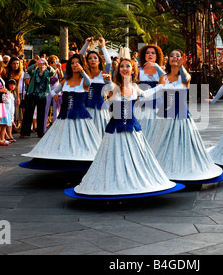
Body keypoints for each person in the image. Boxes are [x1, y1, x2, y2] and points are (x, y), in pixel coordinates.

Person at [72, 58, 176, 196]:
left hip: (132, 128)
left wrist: (160, 86)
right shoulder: (114, 86)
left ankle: (134, 179)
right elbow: (109, 87)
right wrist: (108, 80)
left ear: (133, 70)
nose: (125, 68)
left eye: (128, 66)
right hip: (115, 130)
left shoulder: (134, 87)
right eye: (122, 66)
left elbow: (145, 94)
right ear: (119, 70)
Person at [145, 49, 223, 182]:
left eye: (177, 55)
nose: (174, 57)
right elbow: (158, 94)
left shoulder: (184, 76)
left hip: (181, 117)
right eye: (172, 55)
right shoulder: (163, 78)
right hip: (165, 117)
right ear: (168, 59)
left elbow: (186, 78)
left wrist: (181, 66)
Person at [22, 54, 101, 161]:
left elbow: (89, 82)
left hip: (80, 117)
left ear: (82, 65)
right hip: (65, 116)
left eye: (77, 63)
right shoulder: (66, 81)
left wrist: (82, 71)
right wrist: (55, 95)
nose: (74, 65)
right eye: (72, 63)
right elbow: (54, 90)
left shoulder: (84, 81)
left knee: (81, 141)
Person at [82, 37, 113, 136]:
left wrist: (103, 47)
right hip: (85, 106)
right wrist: (86, 43)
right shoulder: (84, 73)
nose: (92, 60)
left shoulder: (103, 73)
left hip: (99, 108)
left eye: (95, 58)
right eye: (90, 58)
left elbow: (109, 63)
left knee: (99, 131)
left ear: (99, 61)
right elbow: (80, 57)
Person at [19, 58, 56, 138]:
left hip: (43, 95)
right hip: (33, 94)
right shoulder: (35, 71)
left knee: (41, 114)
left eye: (43, 64)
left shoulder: (47, 72)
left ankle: (40, 132)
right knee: (28, 113)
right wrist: (35, 65)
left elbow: (53, 73)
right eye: (40, 64)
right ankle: (24, 132)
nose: (41, 65)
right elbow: (28, 71)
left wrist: (48, 65)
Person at [136, 44, 165, 134]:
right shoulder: (138, 70)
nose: (150, 55)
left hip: (157, 104)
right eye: (147, 53)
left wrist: (156, 66)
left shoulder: (160, 69)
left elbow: (167, 79)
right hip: (142, 104)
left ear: (157, 56)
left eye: (153, 53)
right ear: (144, 56)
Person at [44, 55, 63, 130]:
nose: (54, 64)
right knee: (46, 108)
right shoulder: (47, 70)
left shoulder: (58, 69)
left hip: (57, 89)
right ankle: (44, 127)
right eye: (52, 62)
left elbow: (61, 77)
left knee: (56, 108)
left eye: (55, 62)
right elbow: (51, 76)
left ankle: (56, 126)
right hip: (48, 89)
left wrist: (60, 68)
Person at [0, 79, 16, 143]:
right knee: (4, 123)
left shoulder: (12, 93)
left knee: (10, 120)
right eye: (11, 84)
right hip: (6, 110)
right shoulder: (6, 92)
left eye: (14, 85)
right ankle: (6, 136)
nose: (12, 86)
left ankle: (9, 135)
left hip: (10, 110)